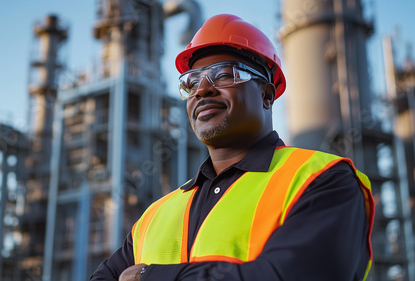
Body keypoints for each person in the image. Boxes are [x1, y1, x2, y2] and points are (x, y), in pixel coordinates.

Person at [90, 14, 374, 281]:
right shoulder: (154, 216)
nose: (202, 89)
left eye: (224, 74)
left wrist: (151, 276)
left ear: (266, 95)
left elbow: (286, 274)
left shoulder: (322, 179)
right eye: (192, 82)